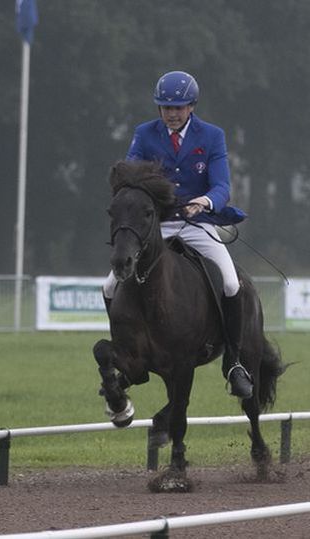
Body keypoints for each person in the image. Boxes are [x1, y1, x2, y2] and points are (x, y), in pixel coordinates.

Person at [102, 70, 253, 398]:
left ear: (192, 107)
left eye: (179, 108)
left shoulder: (212, 136)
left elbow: (223, 185)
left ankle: (235, 360)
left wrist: (206, 200)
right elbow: (130, 174)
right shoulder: (144, 134)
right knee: (110, 284)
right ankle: (128, 350)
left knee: (230, 282)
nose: (171, 113)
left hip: (198, 224)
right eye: (165, 108)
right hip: (158, 225)